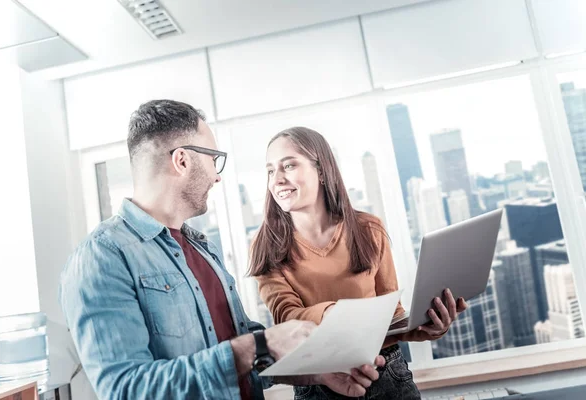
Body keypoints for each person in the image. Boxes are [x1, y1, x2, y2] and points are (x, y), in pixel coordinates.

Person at [59, 101, 387, 400]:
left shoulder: (203, 250)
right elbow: (125, 390)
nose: (217, 177)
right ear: (182, 160)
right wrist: (258, 345)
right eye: (214, 159)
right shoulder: (102, 258)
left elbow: (244, 356)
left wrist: (316, 370)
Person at [250, 126, 469, 399]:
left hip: (386, 374)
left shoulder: (368, 229)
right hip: (319, 384)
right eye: (271, 170)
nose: (277, 179)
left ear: (321, 170)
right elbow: (286, 317)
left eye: (289, 165)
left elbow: (391, 317)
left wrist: (430, 328)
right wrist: (336, 315)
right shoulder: (266, 246)